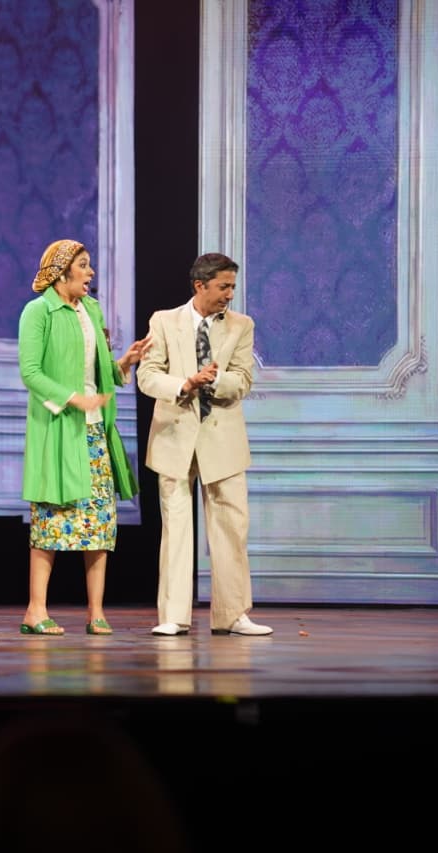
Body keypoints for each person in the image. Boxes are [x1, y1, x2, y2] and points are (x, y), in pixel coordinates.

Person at [17, 238, 150, 635]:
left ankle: (96, 611)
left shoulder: (90, 309)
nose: (90, 272)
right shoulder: (39, 311)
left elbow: (99, 371)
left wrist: (124, 363)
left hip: (94, 433)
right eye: (83, 264)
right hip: (59, 430)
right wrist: (72, 398)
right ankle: (35, 610)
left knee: (99, 522)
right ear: (61, 271)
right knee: (51, 520)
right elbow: (31, 372)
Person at [137, 252, 271, 636]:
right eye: (223, 286)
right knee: (176, 529)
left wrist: (214, 380)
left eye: (232, 287)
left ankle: (233, 615)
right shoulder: (164, 321)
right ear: (200, 285)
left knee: (231, 528)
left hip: (222, 438)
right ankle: (173, 616)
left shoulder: (241, 326)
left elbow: (243, 380)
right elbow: (148, 376)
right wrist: (185, 383)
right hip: (174, 437)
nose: (229, 294)